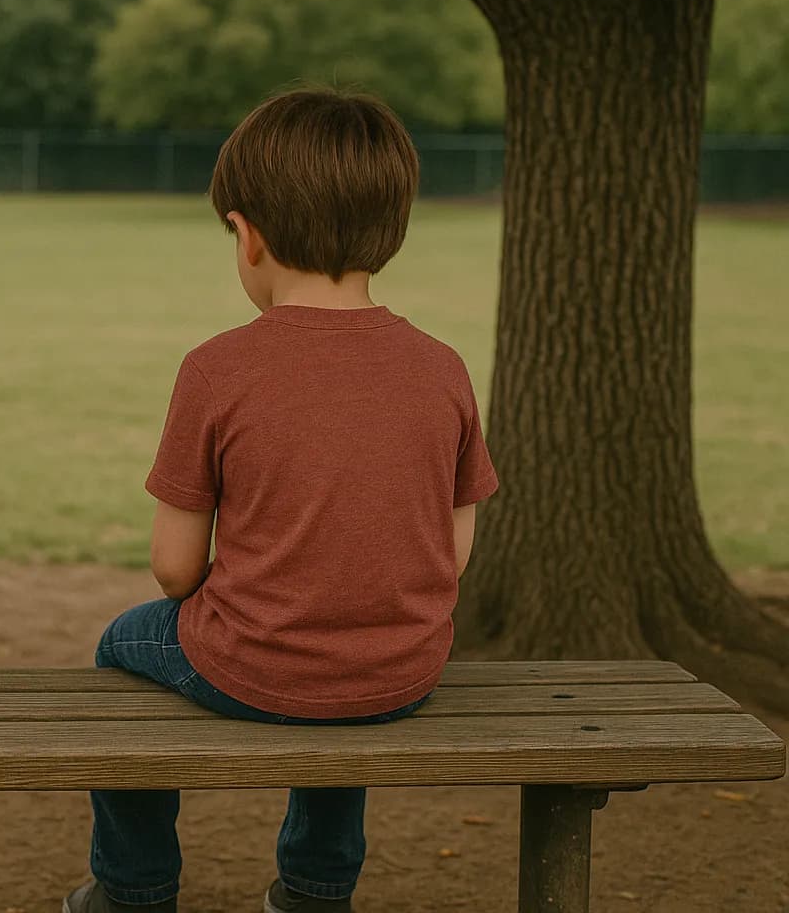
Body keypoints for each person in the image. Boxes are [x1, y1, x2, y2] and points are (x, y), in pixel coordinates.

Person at [63, 89, 499, 913]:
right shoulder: (441, 367)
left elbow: (173, 570)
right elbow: (456, 550)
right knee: (344, 681)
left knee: (122, 645)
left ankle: (133, 886)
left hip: (251, 665)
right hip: (404, 671)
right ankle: (315, 886)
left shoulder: (217, 369)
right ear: (390, 228)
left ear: (247, 233)